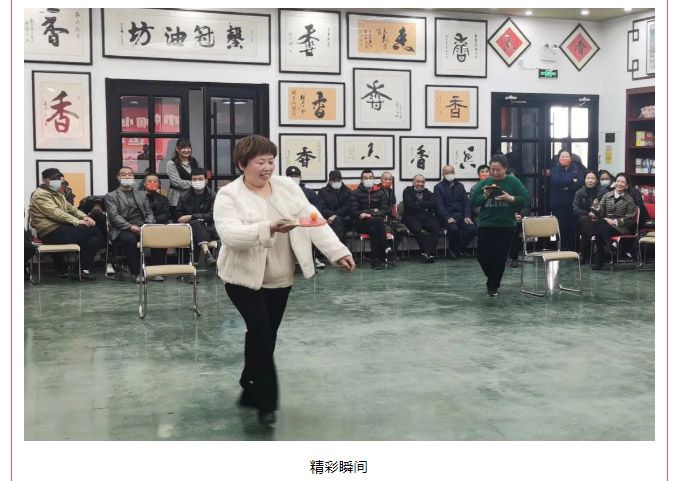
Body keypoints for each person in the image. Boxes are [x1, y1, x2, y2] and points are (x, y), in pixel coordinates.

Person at [213, 135, 355, 427]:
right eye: (260, 162)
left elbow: (312, 219)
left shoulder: (287, 186)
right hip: (242, 279)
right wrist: (269, 228)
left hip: (280, 276)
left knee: (265, 335)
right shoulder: (228, 195)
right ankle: (267, 404)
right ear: (242, 164)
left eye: (270, 161)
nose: (267, 167)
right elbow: (230, 235)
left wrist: (337, 251)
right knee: (261, 331)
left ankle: (248, 381)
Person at [470, 155, 529, 297]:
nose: (495, 173)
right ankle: (493, 277)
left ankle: (493, 286)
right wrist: (485, 196)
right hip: (486, 224)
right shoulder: (486, 182)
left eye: (498, 170)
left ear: (505, 169)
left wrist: (510, 198)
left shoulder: (513, 182)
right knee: (482, 256)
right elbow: (473, 201)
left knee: (499, 257)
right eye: (492, 169)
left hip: (506, 225)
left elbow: (525, 199)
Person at [28, 168, 101, 280]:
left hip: (61, 228)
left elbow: (71, 208)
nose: (58, 181)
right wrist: (77, 221)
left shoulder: (57, 193)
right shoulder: (40, 194)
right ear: (45, 180)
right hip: (50, 232)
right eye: (54, 179)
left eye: (59, 179)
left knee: (93, 240)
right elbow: (55, 213)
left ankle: (79, 271)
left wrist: (85, 217)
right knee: (92, 228)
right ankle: (107, 251)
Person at [105, 166, 155, 282]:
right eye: (124, 175)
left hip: (143, 226)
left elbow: (149, 213)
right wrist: (130, 227)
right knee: (129, 239)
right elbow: (114, 216)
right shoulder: (111, 196)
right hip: (123, 228)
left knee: (160, 236)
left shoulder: (141, 194)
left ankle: (155, 270)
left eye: (130, 174)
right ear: (118, 178)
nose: (127, 177)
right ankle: (137, 273)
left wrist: (147, 226)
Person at [350, 169, 393, 270]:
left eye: (370, 178)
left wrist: (369, 214)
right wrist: (373, 211)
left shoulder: (380, 193)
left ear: (374, 179)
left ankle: (375, 260)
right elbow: (354, 211)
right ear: (361, 180)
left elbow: (384, 210)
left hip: (375, 224)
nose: (368, 180)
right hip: (360, 224)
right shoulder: (355, 193)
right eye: (365, 178)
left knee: (374, 229)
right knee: (378, 221)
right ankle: (386, 246)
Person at [592, 173, 636, 270]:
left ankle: (599, 260)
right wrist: (596, 207)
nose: (619, 183)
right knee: (600, 225)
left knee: (599, 230)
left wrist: (615, 222)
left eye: (622, 182)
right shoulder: (607, 195)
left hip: (620, 227)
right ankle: (609, 244)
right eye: (618, 181)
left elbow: (630, 218)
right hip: (605, 223)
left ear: (627, 185)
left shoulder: (629, 200)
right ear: (615, 182)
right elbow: (601, 212)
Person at [176, 167, 218, 268]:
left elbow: (213, 215)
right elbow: (178, 215)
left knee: (195, 224)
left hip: (209, 230)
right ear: (191, 181)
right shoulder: (184, 196)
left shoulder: (213, 196)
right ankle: (206, 253)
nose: (197, 181)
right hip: (188, 231)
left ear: (206, 180)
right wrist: (193, 219)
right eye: (194, 179)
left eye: (200, 179)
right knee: (194, 225)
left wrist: (192, 216)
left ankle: (193, 266)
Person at [285, 165, 326, 268]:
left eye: (296, 176)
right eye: (291, 176)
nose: (293, 178)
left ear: (300, 178)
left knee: (313, 229)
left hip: (305, 222)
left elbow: (317, 210)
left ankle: (312, 258)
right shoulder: (281, 193)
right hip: (288, 222)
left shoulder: (309, 193)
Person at [434, 165, 476, 259]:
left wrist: (467, 216)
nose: (450, 174)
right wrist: (447, 217)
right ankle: (454, 249)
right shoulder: (438, 187)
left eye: (451, 172)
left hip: (460, 216)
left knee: (472, 229)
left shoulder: (460, 186)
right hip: (446, 217)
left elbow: (466, 203)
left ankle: (458, 249)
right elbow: (439, 206)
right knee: (454, 230)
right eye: (447, 173)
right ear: (443, 174)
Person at [549, 149, 586, 251]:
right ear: (558, 158)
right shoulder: (555, 168)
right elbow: (556, 181)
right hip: (558, 204)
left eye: (567, 156)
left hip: (572, 204)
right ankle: (561, 249)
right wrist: (572, 181)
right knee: (561, 228)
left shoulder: (576, 168)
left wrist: (567, 187)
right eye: (562, 157)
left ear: (571, 158)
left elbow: (580, 182)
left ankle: (574, 250)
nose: (564, 158)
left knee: (573, 228)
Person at [573, 171, 608, 264]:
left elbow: (608, 207)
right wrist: (588, 213)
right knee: (584, 220)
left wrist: (598, 213)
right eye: (588, 178)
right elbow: (576, 209)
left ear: (597, 181)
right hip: (585, 217)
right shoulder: (579, 192)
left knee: (584, 230)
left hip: (600, 217)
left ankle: (583, 254)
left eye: (593, 178)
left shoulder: (604, 191)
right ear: (585, 180)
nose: (590, 180)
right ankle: (595, 243)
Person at [402, 174, 439, 263]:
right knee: (417, 230)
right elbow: (409, 205)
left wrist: (418, 203)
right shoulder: (407, 191)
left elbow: (433, 204)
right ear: (413, 182)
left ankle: (428, 253)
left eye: (422, 182)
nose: (420, 184)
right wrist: (425, 205)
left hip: (426, 216)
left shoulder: (428, 192)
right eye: (418, 181)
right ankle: (426, 252)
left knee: (435, 228)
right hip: (412, 216)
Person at [374, 172, 408, 259]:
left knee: (402, 229)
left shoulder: (391, 191)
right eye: (386, 179)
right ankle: (385, 253)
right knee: (388, 231)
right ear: (381, 180)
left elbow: (392, 204)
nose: (388, 181)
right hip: (379, 218)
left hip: (389, 217)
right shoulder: (375, 190)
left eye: (390, 179)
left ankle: (392, 251)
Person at [143, 172, 171, 280]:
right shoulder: (139, 197)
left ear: (158, 184)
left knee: (161, 238)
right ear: (144, 183)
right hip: (141, 227)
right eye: (149, 181)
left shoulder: (163, 199)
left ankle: (157, 271)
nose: (152, 183)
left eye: (155, 181)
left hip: (157, 227)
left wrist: (153, 220)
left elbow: (165, 215)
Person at [166, 138, 199, 221]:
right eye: (183, 148)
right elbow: (177, 182)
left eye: (188, 148)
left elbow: (198, 176)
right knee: (179, 223)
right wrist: (195, 184)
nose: (186, 150)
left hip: (192, 198)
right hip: (176, 200)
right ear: (177, 149)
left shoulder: (194, 161)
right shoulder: (172, 163)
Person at [317, 170, 353, 245]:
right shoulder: (322, 192)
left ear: (341, 180)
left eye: (338, 180)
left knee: (338, 221)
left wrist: (335, 215)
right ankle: (339, 249)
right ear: (329, 181)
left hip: (345, 220)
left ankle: (337, 248)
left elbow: (348, 206)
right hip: (327, 220)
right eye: (334, 180)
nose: (336, 182)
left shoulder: (348, 191)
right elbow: (322, 208)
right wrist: (331, 216)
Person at [506, 169, 532, 268]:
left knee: (514, 227)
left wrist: (521, 215)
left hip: (519, 219)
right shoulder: (500, 190)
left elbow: (527, 206)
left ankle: (513, 258)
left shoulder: (521, 190)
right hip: (503, 217)